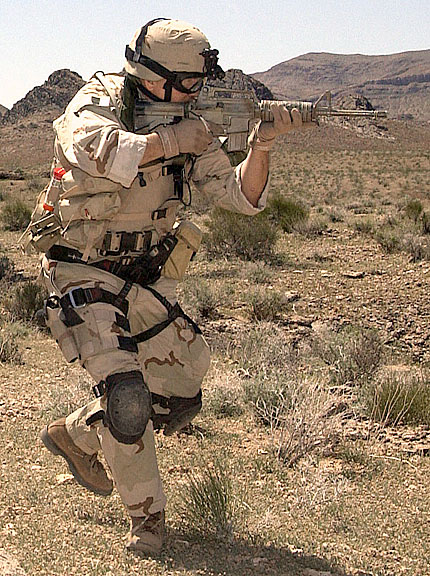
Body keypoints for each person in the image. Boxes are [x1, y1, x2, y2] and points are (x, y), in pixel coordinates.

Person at [35, 18, 303, 555]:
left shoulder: (190, 121)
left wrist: (263, 144)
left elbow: (239, 198)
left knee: (181, 390)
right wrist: (176, 139)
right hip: (82, 268)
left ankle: (78, 433)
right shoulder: (100, 100)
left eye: (200, 84)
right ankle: (148, 521)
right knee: (127, 395)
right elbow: (94, 148)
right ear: (154, 76)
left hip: (144, 278)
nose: (195, 93)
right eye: (188, 84)